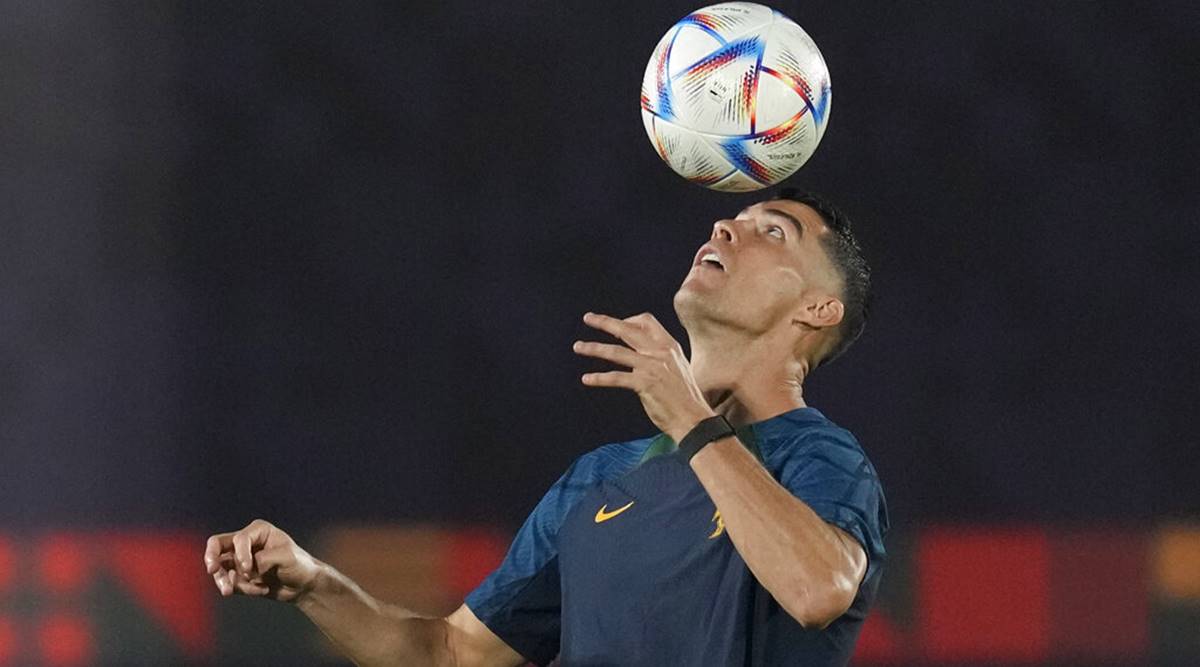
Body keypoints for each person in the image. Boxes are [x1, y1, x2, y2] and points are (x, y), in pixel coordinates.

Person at [203, 189, 888, 666]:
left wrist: (689, 417)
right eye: (732, 218)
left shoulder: (821, 457)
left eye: (774, 231)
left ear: (819, 308)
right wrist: (310, 581)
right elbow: (452, 651)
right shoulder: (600, 479)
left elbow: (818, 588)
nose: (724, 229)